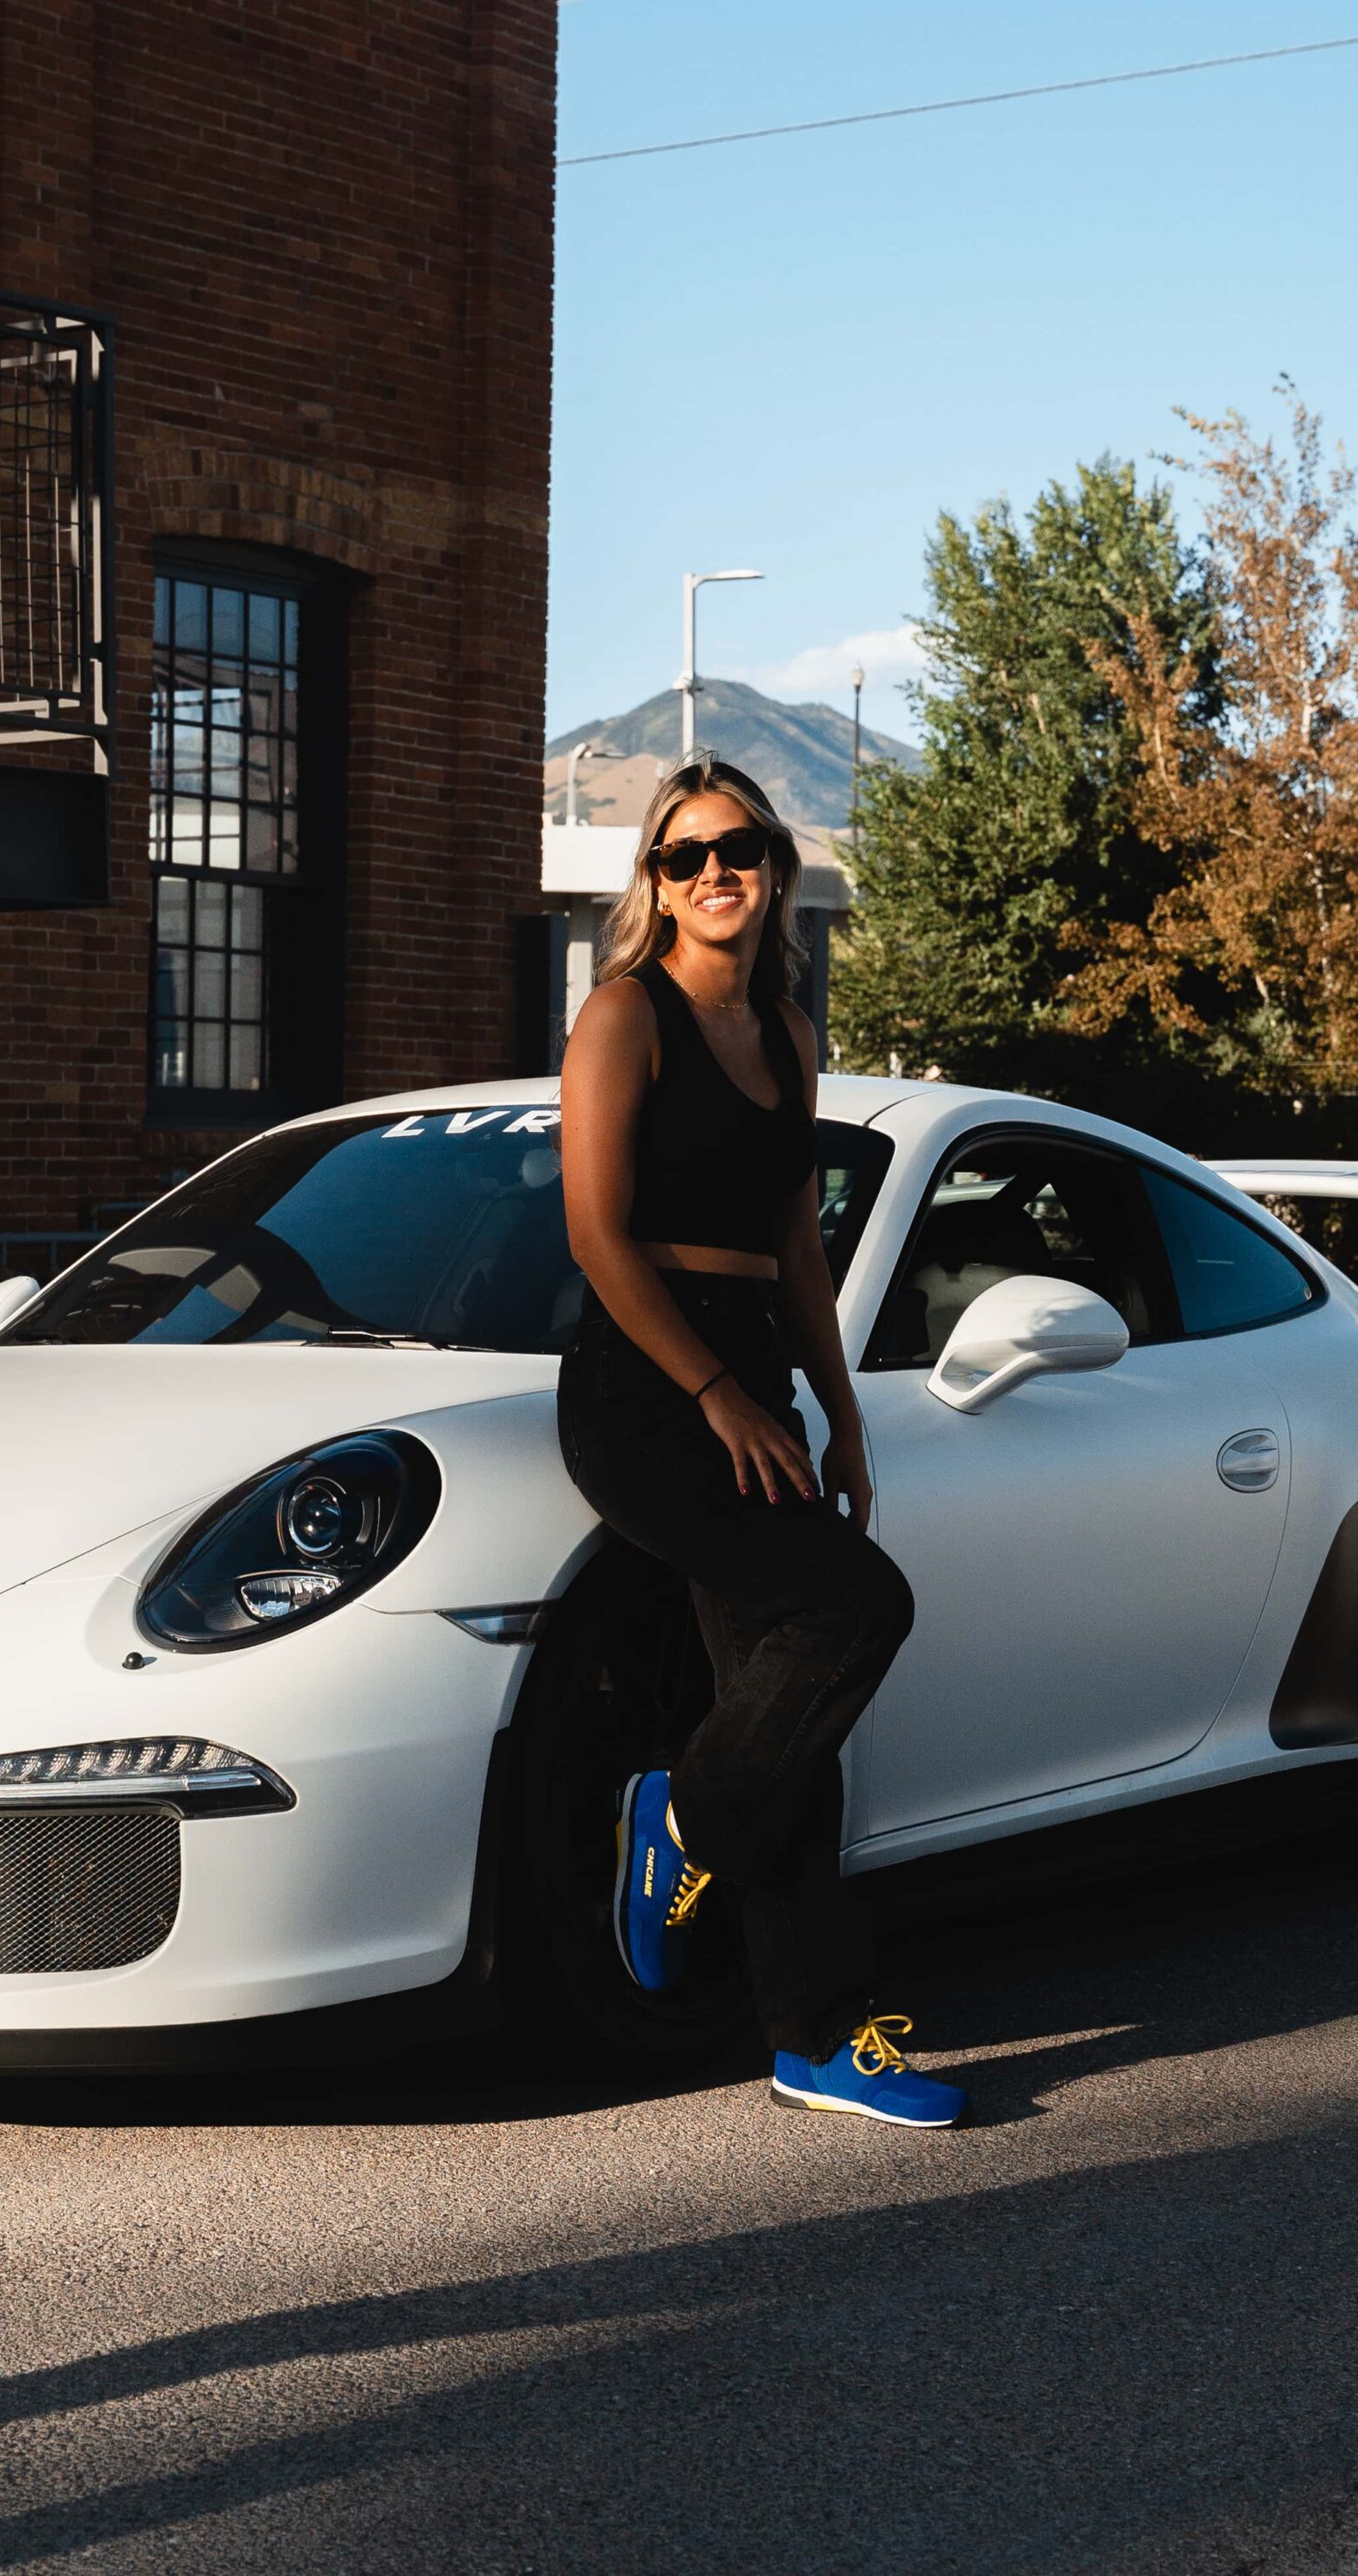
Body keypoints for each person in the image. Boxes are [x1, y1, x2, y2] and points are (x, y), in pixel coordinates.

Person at [557, 753, 965, 2129]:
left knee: (793, 1724)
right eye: (684, 857)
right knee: (859, 1607)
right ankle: (677, 1815)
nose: (715, 871)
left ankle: (815, 2040)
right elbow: (598, 1240)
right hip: (640, 1387)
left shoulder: (787, 1032)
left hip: (753, 1371)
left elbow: (793, 1248)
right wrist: (716, 1400)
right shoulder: (626, 1016)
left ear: (777, 866)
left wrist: (835, 1412)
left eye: (737, 848)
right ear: (655, 887)